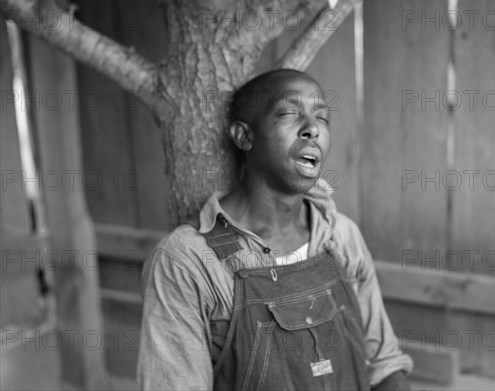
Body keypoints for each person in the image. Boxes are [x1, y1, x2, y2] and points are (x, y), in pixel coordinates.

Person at [137, 69, 413, 390]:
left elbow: (384, 365)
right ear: (244, 136)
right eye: (289, 113)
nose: (312, 129)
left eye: (322, 118)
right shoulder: (187, 261)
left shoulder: (339, 236)